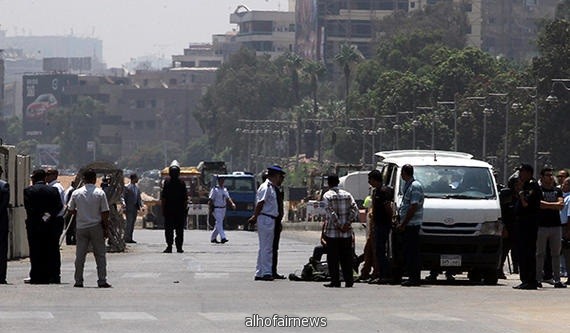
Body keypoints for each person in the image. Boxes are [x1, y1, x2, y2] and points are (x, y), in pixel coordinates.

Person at [67, 169, 112, 288]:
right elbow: (105, 212)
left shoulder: (76, 193)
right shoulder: (100, 193)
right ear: (94, 179)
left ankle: (78, 280)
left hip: (81, 227)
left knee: (80, 255)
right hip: (96, 226)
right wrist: (106, 228)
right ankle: (102, 280)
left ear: (84, 179)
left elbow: (70, 209)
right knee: (100, 255)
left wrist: (79, 213)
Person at [23, 169, 63, 284]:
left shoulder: (28, 190)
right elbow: (59, 206)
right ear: (45, 178)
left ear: (34, 178)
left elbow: (29, 208)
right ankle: (53, 275)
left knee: (35, 250)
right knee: (52, 250)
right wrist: (47, 216)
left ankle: (36, 275)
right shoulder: (53, 190)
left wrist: (39, 217)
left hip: (34, 225)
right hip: (50, 225)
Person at [321, 174, 359, 288]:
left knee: (333, 258)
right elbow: (355, 209)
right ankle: (349, 280)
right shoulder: (347, 194)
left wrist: (339, 225)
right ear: (338, 182)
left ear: (328, 183)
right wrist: (347, 223)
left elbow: (330, 212)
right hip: (346, 233)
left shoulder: (327, 195)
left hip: (333, 233)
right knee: (346, 257)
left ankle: (335, 281)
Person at [248, 165, 285, 281]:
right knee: (267, 248)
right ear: (275, 175)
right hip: (266, 218)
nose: (280, 179)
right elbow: (260, 203)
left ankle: (259, 272)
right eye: (280, 176)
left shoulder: (272, 187)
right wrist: (254, 216)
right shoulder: (266, 187)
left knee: (263, 247)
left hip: (269, 219)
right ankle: (266, 272)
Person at [512, 163, 541, 290]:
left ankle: (530, 280)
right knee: (522, 252)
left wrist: (520, 192)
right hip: (522, 223)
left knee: (528, 252)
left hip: (529, 223)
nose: (520, 175)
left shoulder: (532, 186)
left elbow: (525, 204)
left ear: (528, 173)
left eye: (522, 172)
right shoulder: (525, 185)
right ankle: (525, 279)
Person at [394, 164, 424, 287]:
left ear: (405, 173)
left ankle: (414, 278)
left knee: (412, 252)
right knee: (407, 251)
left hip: (412, 224)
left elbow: (413, 206)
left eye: (402, 173)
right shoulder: (407, 185)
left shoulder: (415, 186)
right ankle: (411, 276)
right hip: (407, 223)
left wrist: (404, 223)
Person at [535, 167, 565, 288]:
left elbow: (561, 205)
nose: (550, 177)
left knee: (556, 254)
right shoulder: (538, 190)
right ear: (541, 177)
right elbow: (539, 204)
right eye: (547, 175)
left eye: (551, 175)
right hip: (541, 226)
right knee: (540, 253)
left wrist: (548, 205)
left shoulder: (557, 191)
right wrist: (554, 205)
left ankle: (557, 280)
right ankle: (537, 279)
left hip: (556, 226)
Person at [368, 170, 394, 284]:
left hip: (384, 225)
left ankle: (385, 275)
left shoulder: (384, 191)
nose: (369, 182)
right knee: (378, 250)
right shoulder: (376, 192)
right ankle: (380, 273)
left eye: (370, 180)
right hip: (377, 224)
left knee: (381, 250)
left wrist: (391, 220)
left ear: (375, 179)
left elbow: (388, 208)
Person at [161, 161, 188, 253]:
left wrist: (163, 209)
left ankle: (169, 246)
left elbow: (163, 198)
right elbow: (185, 199)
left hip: (169, 210)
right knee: (179, 230)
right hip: (179, 211)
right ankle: (179, 247)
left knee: (169, 230)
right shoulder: (182, 183)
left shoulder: (167, 182)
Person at [45, 168, 66, 283]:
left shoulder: (55, 188)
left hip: (55, 220)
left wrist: (46, 217)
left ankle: (54, 274)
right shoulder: (54, 187)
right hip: (55, 219)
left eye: (48, 174)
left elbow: (57, 207)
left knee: (53, 248)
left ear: (55, 175)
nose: (46, 176)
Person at [208, 176, 235, 244]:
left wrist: (232, 204)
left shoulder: (224, 189)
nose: (222, 182)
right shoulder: (214, 189)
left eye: (223, 180)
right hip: (216, 208)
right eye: (221, 180)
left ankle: (213, 238)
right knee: (220, 223)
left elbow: (228, 198)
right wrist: (210, 209)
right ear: (218, 181)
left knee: (218, 223)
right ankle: (223, 237)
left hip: (223, 208)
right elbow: (210, 200)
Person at [272, 169, 286, 280]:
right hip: (273, 221)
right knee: (272, 248)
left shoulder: (276, 189)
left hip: (276, 221)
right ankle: (271, 270)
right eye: (281, 178)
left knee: (274, 248)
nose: (282, 180)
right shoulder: (272, 189)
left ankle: (273, 270)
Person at [122, 173, 142, 244]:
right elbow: (123, 197)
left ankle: (130, 237)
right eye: (136, 178)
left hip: (135, 207)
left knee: (132, 223)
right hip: (129, 207)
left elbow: (139, 197)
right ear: (133, 179)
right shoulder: (127, 187)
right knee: (129, 223)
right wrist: (124, 204)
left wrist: (141, 205)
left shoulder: (137, 188)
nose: (138, 179)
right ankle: (126, 238)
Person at [559, 177, 570, 285]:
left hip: (566, 227)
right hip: (563, 226)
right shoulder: (565, 197)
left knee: (567, 254)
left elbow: (569, 216)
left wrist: (567, 231)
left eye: (565, 184)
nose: (562, 185)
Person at [0, 166, 10, 284]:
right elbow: (4, 204)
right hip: (1, 222)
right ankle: (1, 276)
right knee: (2, 251)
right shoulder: (4, 185)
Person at [63, 180, 78, 245]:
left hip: (68, 209)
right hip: (70, 210)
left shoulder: (69, 189)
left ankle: (70, 240)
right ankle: (71, 240)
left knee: (70, 227)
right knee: (72, 227)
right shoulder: (72, 191)